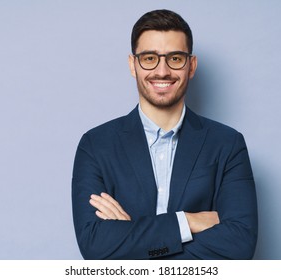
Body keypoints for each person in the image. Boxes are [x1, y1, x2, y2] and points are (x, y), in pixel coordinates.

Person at [72, 9, 258, 259]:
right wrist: (186, 223)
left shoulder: (228, 144)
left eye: (175, 58)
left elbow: (239, 245)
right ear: (132, 65)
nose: (162, 71)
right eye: (149, 58)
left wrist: (131, 240)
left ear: (191, 66)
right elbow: (94, 246)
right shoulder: (96, 145)